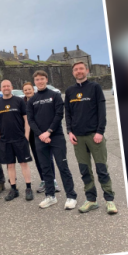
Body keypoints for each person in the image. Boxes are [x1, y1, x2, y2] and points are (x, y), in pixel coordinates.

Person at [65, 61, 117, 214]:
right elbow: (68, 113)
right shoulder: (69, 91)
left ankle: (109, 200)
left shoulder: (95, 87)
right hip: (78, 138)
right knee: (84, 170)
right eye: (76, 69)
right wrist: (70, 131)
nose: (79, 71)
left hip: (95, 135)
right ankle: (91, 200)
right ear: (73, 73)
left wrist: (100, 131)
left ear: (87, 70)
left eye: (81, 68)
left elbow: (102, 111)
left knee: (102, 169)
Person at [27, 70, 78, 209]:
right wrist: (41, 135)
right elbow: (30, 120)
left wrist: (48, 132)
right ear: (35, 82)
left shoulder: (55, 95)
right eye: (37, 79)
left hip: (56, 136)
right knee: (46, 168)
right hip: (40, 139)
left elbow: (59, 114)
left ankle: (71, 196)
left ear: (46, 80)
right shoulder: (32, 100)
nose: (40, 81)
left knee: (63, 167)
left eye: (42, 78)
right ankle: (50, 196)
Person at [0, 79, 34, 201]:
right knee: (10, 165)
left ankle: (28, 188)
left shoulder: (19, 101)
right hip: (5, 140)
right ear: (1, 89)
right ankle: (13, 189)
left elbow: (26, 119)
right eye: (4, 86)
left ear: (11, 87)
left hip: (20, 138)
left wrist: (26, 136)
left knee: (24, 164)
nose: (6, 88)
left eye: (8, 86)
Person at [22, 81, 58, 194]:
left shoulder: (38, 99)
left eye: (29, 89)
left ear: (33, 90)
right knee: (37, 158)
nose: (28, 91)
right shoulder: (22, 103)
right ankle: (43, 180)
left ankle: (53, 180)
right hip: (31, 135)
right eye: (25, 90)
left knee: (48, 157)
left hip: (42, 133)